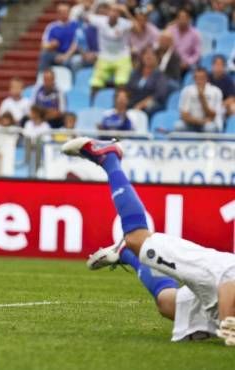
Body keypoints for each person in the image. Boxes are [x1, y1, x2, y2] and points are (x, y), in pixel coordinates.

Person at [61, 136, 235, 345]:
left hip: (221, 291)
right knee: (137, 237)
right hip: (220, 271)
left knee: (167, 304)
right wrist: (228, 321)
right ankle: (109, 158)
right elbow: (230, 281)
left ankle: (127, 253)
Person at [175, 67, 223, 133]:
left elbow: (212, 116)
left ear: (207, 78)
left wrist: (202, 98)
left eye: (202, 78)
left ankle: (209, 143)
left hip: (209, 125)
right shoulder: (186, 91)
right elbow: (184, 115)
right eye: (197, 78)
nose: (199, 81)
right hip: (192, 123)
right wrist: (200, 122)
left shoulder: (215, 91)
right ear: (194, 79)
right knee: (178, 126)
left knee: (209, 128)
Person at [38, 2, 78, 72]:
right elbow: (43, 45)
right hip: (56, 54)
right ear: (58, 13)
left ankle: (74, 82)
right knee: (44, 55)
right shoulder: (52, 27)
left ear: (69, 12)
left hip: (71, 54)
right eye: (61, 12)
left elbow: (76, 43)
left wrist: (66, 56)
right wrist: (50, 45)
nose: (64, 14)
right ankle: (42, 78)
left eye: (65, 11)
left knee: (75, 62)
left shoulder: (75, 25)